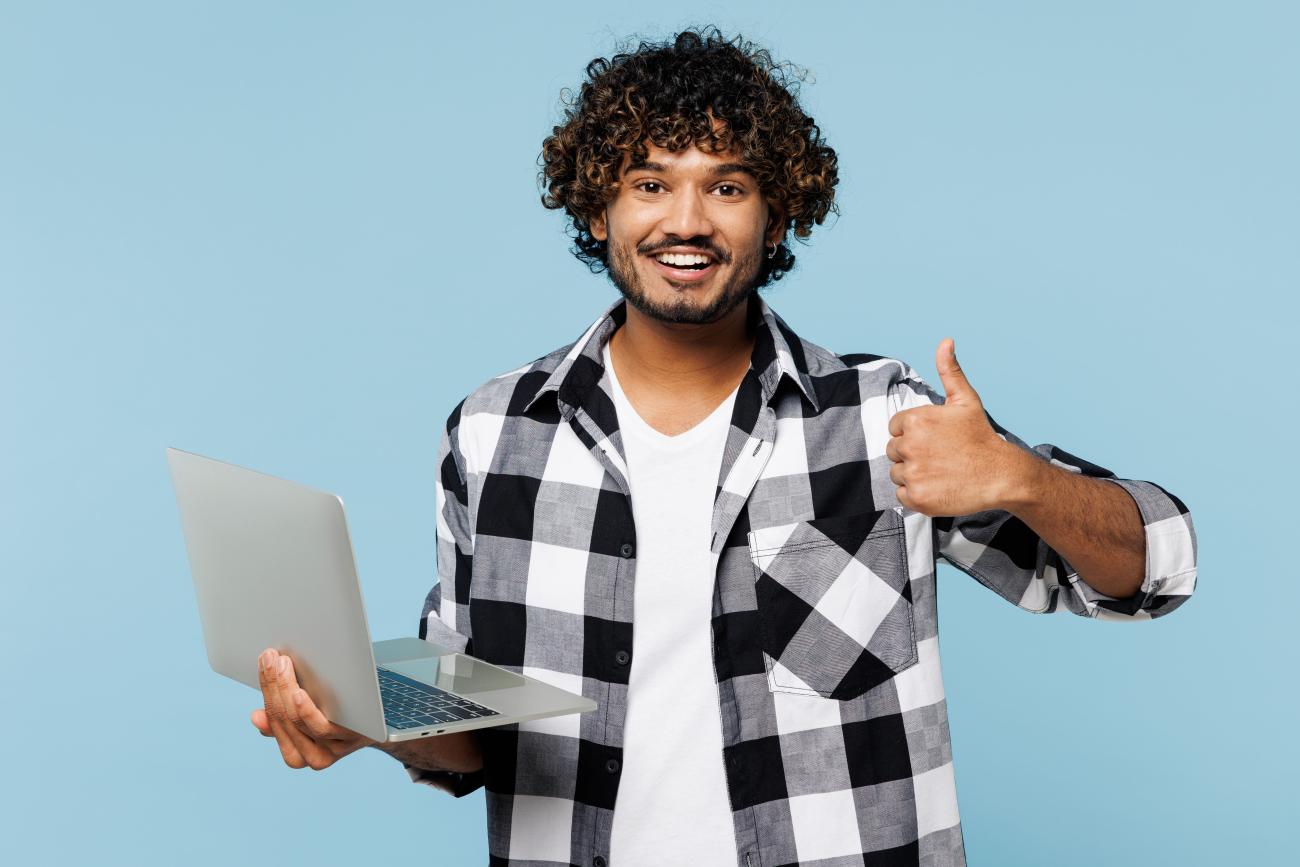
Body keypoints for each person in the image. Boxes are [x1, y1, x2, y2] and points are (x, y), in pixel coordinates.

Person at [252, 27, 1198, 867]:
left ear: (775, 216)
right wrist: (366, 719)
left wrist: (1024, 480)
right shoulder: (495, 431)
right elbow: (472, 734)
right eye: (649, 183)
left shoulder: (882, 420)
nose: (687, 221)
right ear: (598, 210)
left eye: (728, 186)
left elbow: (1159, 564)